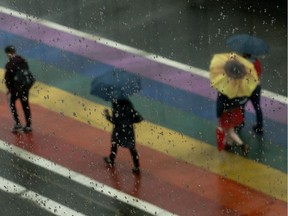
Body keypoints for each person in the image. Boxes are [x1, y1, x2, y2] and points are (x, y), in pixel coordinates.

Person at [103, 98, 143, 174]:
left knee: (114, 144)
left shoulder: (116, 105)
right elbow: (137, 117)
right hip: (128, 131)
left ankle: (111, 160)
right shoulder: (129, 104)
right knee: (132, 148)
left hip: (119, 130)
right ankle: (137, 167)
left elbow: (114, 120)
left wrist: (107, 115)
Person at [4, 45, 33, 132]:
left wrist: (10, 90)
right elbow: (27, 72)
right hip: (24, 87)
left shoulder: (9, 65)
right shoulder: (22, 61)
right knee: (25, 105)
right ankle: (28, 125)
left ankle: (17, 123)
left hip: (15, 89)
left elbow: (8, 79)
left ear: (8, 53)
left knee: (12, 103)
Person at [242, 53, 263, 134]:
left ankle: (240, 123)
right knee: (257, 107)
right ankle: (260, 126)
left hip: (247, 88)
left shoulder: (244, 63)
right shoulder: (257, 62)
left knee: (241, 105)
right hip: (256, 87)